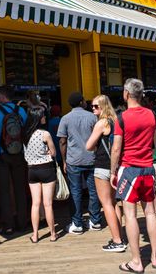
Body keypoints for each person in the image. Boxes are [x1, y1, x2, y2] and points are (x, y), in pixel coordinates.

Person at [111, 79, 156, 272]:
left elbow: (116, 149)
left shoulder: (122, 118)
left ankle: (137, 261)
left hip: (129, 169)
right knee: (151, 212)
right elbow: (154, 143)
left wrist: (113, 171)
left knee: (130, 215)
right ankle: (155, 257)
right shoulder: (151, 115)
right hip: (148, 168)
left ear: (126, 93)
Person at [86, 95, 126, 252]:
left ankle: (117, 241)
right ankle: (120, 235)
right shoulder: (116, 120)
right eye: (92, 106)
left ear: (103, 106)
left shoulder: (101, 123)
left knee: (106, 203)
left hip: (102, 166)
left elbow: (88, 145)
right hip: (115, 166)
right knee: (114, 202)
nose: (93, 109)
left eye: (96, 106)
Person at [0, 85, 29, 235]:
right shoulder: (22, 111)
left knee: (4, 191)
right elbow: (25, 132)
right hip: (19, 154)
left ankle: (8, 225)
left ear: (2, 96)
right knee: (20, 189)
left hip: (1, 155)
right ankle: (22, 222)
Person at [58, 92, 101, 234]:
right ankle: (95, 221)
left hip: (73, 160)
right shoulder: (92, 117)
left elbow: (62, 141)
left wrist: (64, 160)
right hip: (91, 159)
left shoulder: (65, 118)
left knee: (75, 191)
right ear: (82, 102)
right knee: (93, 191)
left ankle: (77, 223)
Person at [23, 104, 57, 243]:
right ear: (38, 118)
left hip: (32, 170)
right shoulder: (45, 134)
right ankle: (53, 234)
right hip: (47, 169)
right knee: (48, 204)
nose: (44, 117)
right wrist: (48, 152)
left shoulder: (25, 134)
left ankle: (35, 235)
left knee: (35, 204)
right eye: (42, 115)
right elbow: (53, 152)